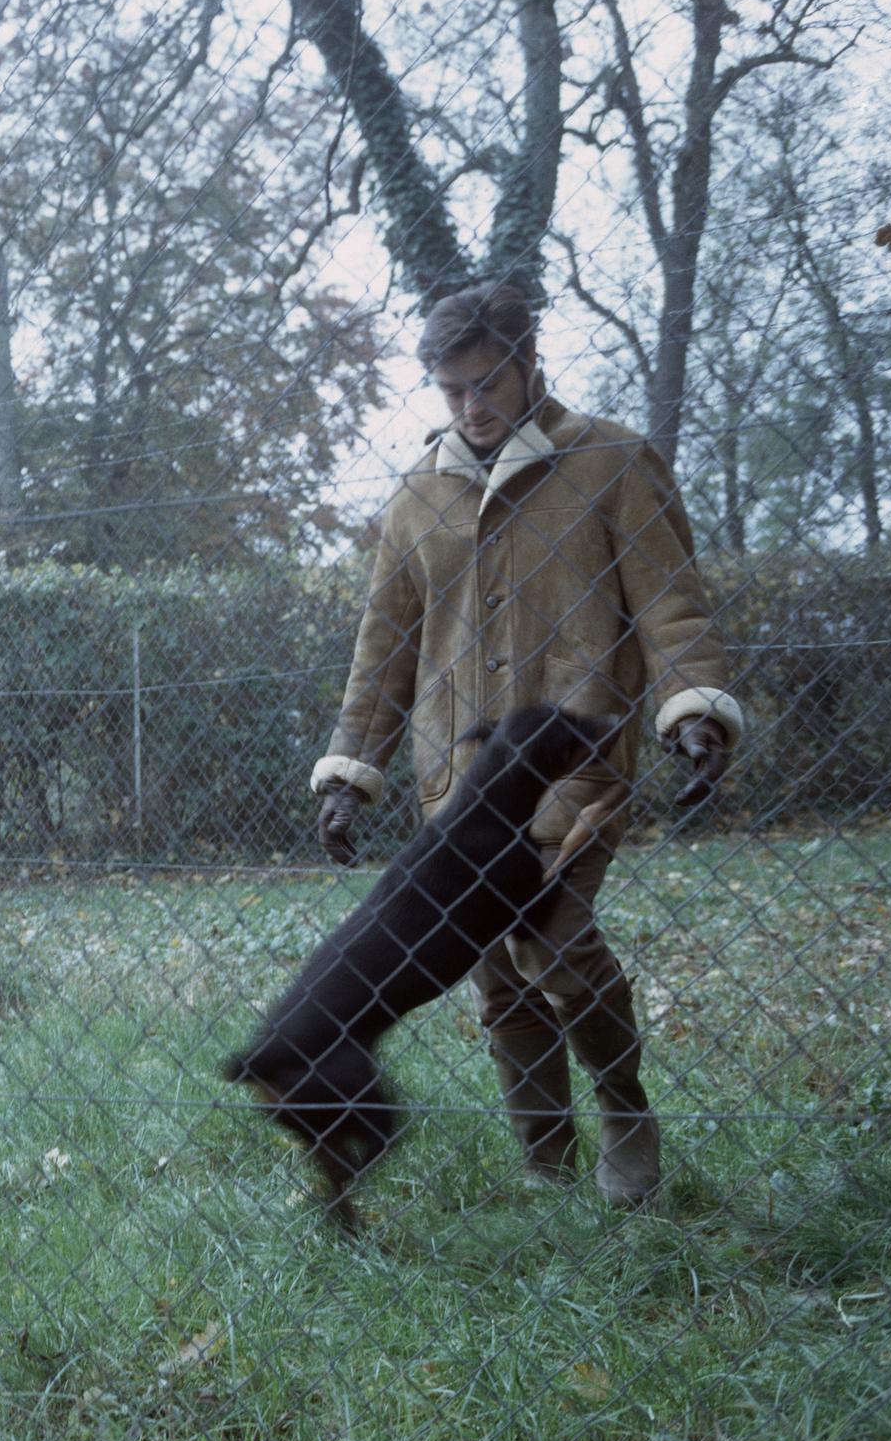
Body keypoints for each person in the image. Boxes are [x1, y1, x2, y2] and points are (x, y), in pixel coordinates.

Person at [309, 281, 743, 1207]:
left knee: (555, 946)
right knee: (499, 977)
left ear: (528, 361)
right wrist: (353, 771)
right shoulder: (416, 499)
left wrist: (695, 707)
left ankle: (625, 1111)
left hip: (571, 769)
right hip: (456, 788)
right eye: (453, 389)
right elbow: (383, 648)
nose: (472, 406)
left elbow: (671, 605)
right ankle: (544, 1158)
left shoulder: (612, 462)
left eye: (488, 381)